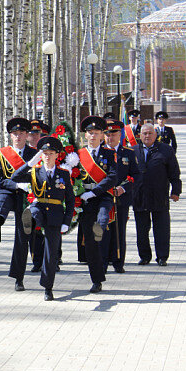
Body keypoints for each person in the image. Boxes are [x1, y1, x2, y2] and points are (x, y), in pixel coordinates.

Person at [11, 137, 74, 301]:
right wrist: (30, 163)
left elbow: (70, 199)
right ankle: (29, 219)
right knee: (29, 223)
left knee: (51, 252)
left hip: (55, 214)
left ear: (56, 155)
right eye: (44, 153)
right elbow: (15, 178)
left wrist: (67, 222)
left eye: (50, 153)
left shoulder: (64, 174)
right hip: (38, 209)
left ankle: (48, 287)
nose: (47, 156)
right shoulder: (34, 171)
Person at [0, 117, 37, 291]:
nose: (18, 137)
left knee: (22, 239)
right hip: (9, 191)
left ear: (26, 135)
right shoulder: (2, 154)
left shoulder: (34, 154)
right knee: (2, 197)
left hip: (26, 197)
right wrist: (15, 184)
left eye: (21, 133)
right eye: (15, 134)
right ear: (10, 136)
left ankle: (19, 278)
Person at [77, 116, 117, 293]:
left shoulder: (109, 154)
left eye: (96, 133)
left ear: (102, 135)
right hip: (85, 199)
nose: (93, 136)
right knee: (91, 243)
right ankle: (97, 280)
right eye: (90, 133)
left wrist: (95, 191)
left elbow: (113, 176)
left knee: (101, 220)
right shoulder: (78, 155)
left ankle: (101, 228)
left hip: (102, 196)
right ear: (85, 136)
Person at [133, 123, 181, 266]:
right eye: (144, 134)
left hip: (159, 195)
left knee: (162, 228)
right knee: (141, 229)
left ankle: (162, 257)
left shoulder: (166, 150)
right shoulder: (132, 151)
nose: (147, 136)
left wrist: (176, 191)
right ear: (140, 136)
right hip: (139, 196)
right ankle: (144, 256)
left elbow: (174, 172)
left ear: (156, 135)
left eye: (150, 133)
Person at [100, 120, 141, 273]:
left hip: (121, 199)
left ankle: (118, 262)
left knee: (119, 231)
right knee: (103, 231)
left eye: (114, 134)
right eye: (108, 134)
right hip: (103, 198)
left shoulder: (128, 153)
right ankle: (102, 263)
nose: (110, 137)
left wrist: (124, 188)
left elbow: (136, 175)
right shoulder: (99, 152)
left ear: (120, 135)